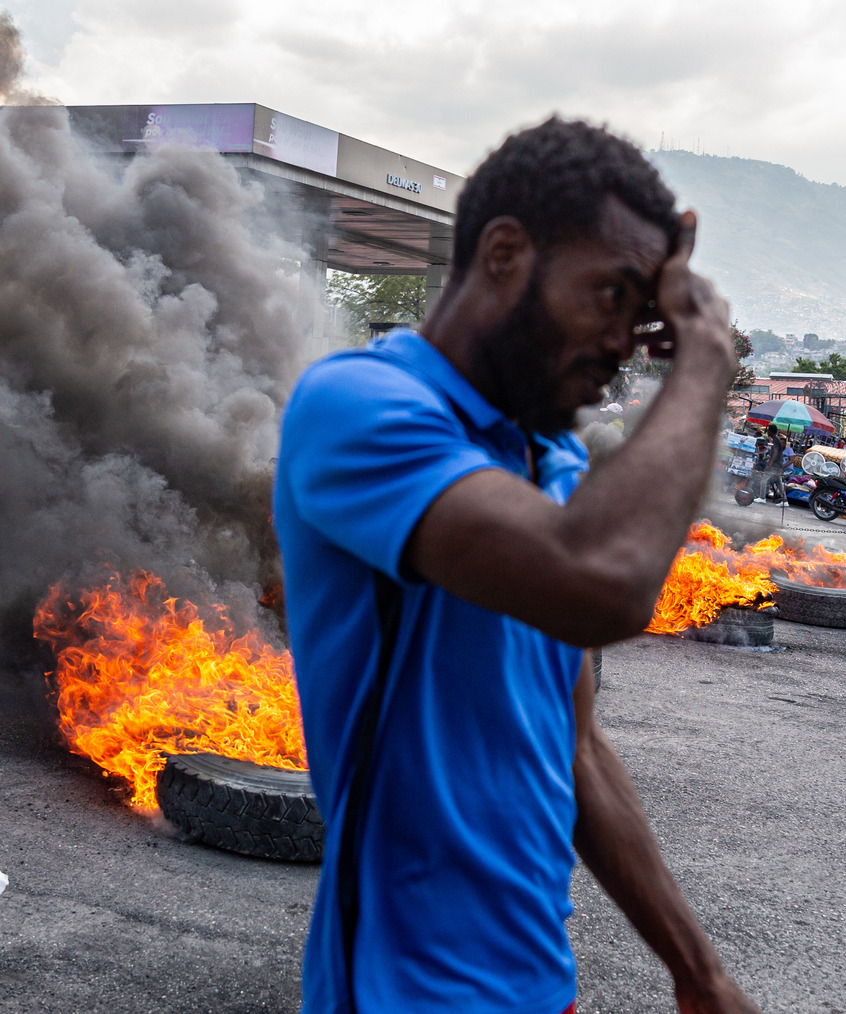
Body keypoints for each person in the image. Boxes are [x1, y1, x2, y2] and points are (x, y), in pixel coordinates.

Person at [274, 120, 760, 1014]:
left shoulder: (547, 462)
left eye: (642, 312)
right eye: (609, 295)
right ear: (504, 253)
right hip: (402, 994)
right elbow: (602, 583)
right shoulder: (358, 407)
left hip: (540, 988)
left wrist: (698, 970)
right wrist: (703, 359)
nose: (624, 341)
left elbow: (569, 742)